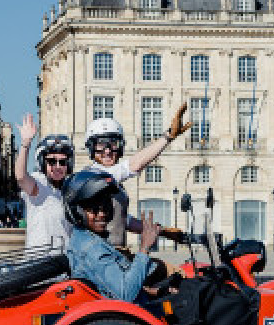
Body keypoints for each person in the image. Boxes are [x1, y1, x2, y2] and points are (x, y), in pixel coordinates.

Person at [83, 105, 191, 247]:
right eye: (100, 145)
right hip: (98, 255)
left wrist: (162, 231)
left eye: (113, 144)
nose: (107, 151)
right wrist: (168, 136)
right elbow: (134, 165)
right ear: (91, 148)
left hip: (114, 253)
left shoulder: (114, 181)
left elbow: (123, 219)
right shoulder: (93, 176)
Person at [62, 169, 162, 304]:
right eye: (94, 209)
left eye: (105, 208)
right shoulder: (92, 249)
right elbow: (125, 294)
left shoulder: (86, 237)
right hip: (125, 312)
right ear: (76, 212)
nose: (102, 214)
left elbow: (111, 283)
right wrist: (144, 247)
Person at [15, 114, 74, 249]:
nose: (57, 166)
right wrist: (26, 143)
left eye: (62, 162)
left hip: (63, 257)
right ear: (43, 163)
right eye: (52, 161)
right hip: (39, 258)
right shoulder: (40, 185)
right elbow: (21, 177)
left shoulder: (71, 189)